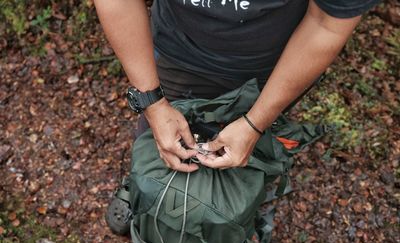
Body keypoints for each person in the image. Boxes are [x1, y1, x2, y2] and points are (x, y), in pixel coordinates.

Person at [93, 0, 380, 172]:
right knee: (158, 147)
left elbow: (327, 24)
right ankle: (146, 192)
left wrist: (256, 123)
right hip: (175, 50)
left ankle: (240, 220)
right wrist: (152, 103)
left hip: (277, 67)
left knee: (250, 159)